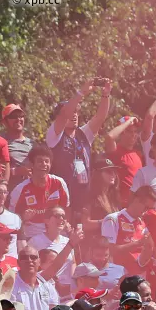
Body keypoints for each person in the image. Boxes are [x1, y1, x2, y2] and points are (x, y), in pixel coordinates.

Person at [45, 79, 111, 213]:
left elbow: (100, 117)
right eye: (71, 112)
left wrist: (106, 95)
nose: (74, 115)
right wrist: (81, 93)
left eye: (76, 111)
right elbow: (65, 113)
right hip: (61, 199)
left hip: (83, 198)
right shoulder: (54, 135)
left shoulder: (83, 133)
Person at [10, 144, 70, 239]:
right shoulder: (20, 189)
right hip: (32, 235)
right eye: (40, 161)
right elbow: (11, 219)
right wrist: (23, 218)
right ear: (31, 165)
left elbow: (66, 209)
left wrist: (66, 224)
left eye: (47, 161)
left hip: (57, 233)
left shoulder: (59, 183)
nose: (44, 164)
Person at [100, 185, 156, 272]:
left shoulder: (145, 224)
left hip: (140, 277)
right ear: (137, 200)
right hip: (119, 276)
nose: (148, 211)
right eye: (146, 207)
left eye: (151, 209)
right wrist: (138, 243)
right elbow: (109, 251)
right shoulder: (113, 219)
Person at [10, 245, 61, 310]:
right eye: (24, 257)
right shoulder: (11, 286)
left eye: (33, 257)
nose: (29, 260)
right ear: (18, 262)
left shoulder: (48, 286)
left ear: (39, 262)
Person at [103, 115, 142, 203]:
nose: (133, 134)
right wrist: (129, 121)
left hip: (136, 204)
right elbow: (110, 137)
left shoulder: (138, 154)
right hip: (120, 204)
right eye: (129, 131)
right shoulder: (115, 151)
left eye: (135, 131)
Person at [1, 104, 32, 187]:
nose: (18, 119)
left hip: (31, 194)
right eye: (13, 116)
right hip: (9, 195)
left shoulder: (32, 144)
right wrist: (16, 171)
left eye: (21, 116)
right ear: (4, 122)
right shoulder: (0, 143)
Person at [0, 181, 21, 263]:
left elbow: (21, 244)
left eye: (5, 192)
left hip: (12, 267)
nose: (2, 196)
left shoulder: (15, 218)